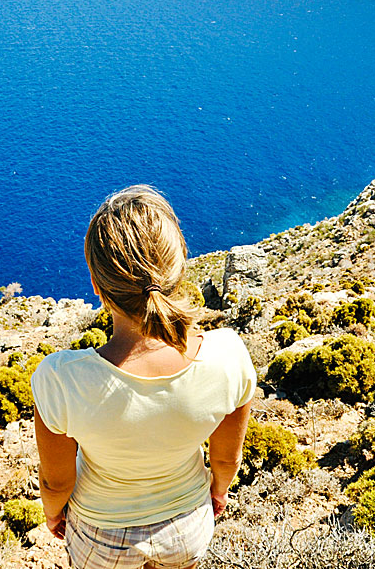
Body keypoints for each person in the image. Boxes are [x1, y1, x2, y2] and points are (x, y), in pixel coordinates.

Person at [31, 185, 256, 569]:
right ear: (181, 267)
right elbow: (226, 460)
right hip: (187, 528)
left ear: (97, 288)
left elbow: (56, 483)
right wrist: (218, 494)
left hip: (100, 537)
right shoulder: (228, 355)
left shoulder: (60, 378)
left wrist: (54, 515)